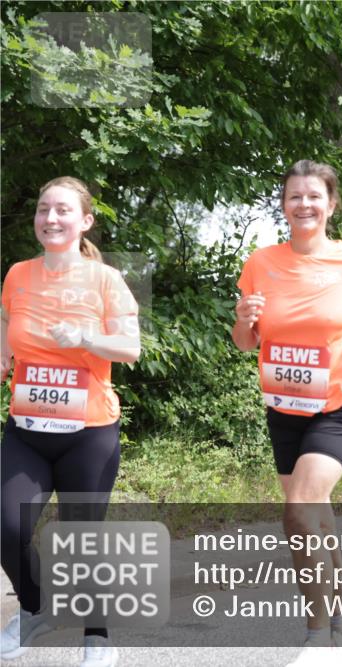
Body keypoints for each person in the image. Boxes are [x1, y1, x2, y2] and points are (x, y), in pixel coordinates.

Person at [232, 159, 342, 667]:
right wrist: (242, 319)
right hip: (284, 409)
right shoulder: (261, 263)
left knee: (300, 509)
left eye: (314, 196)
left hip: (338, 407)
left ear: (331, 204)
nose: (304, 204)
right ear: (283, 205)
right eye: (294, 196)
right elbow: (246, 342)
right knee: (316, 519)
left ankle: (317, 638)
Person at [1, 176, 141, 666]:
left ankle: (96, 636)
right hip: (28, 430)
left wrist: (84, 338)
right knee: (6, 526)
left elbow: (130, 348)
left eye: (63, 210)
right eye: (44, 209)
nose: (51, 218)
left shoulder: (105, 280)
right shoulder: (18, 274)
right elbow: (6, 324)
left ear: (84, 221)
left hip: (89, 433)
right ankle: (35, 609)